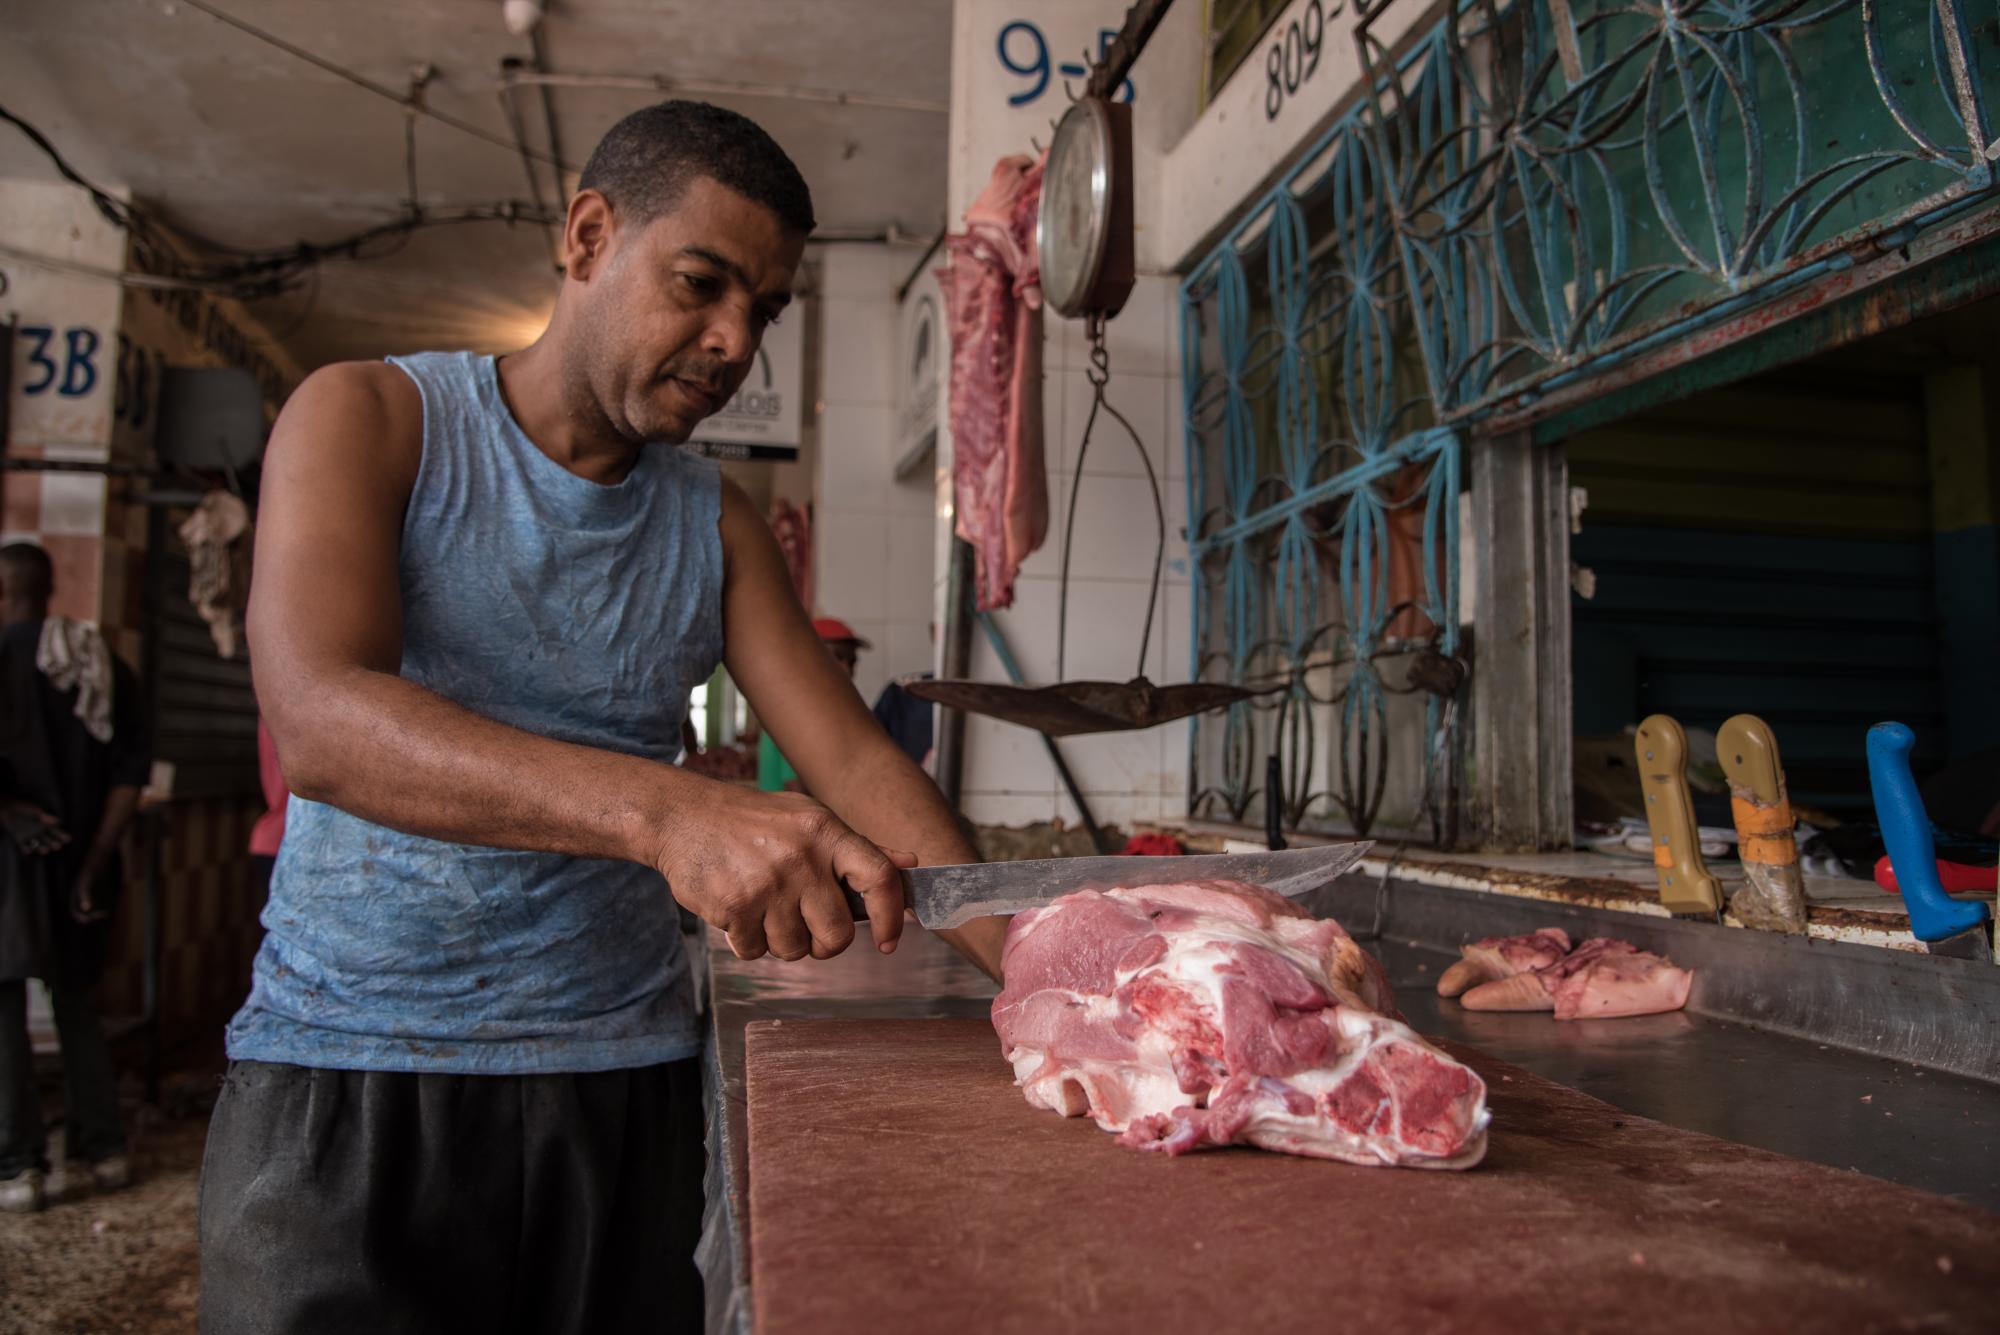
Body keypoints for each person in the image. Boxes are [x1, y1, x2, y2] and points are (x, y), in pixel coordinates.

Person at [199, 101, 1007, 1332]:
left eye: (763, 310)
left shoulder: (715, 519)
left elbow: (852, 761)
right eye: (701, 283)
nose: (732, 340)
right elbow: (322, 720)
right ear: (586, 238)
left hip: (618, 1087)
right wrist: (673, 815)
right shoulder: (370, 420)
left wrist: (1062, 976)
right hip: (355, 1071)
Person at [0, 543, 149, 1213]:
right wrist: (93, 862)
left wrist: (9, 810)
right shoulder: (105, 666)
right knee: (79, 1006)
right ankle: (104, 1150)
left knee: (3, 1012)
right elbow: (128, 778)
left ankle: (18, 1166)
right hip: (84, 861)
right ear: (49, 587)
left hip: (10, 865)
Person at [757, 616, 867, 793]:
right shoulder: (795, 709)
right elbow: (795, 790)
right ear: (808, 658)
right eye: (836, 658)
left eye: (851, 660)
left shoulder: (826, 710)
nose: (846, 669)